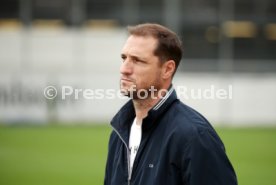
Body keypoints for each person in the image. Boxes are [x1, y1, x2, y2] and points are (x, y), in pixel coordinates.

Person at [104, 23, 237, 185]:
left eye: (137, 60)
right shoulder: (119, 133)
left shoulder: (194, 136)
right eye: (124, 58)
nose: (124, 69)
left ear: (167, 69)